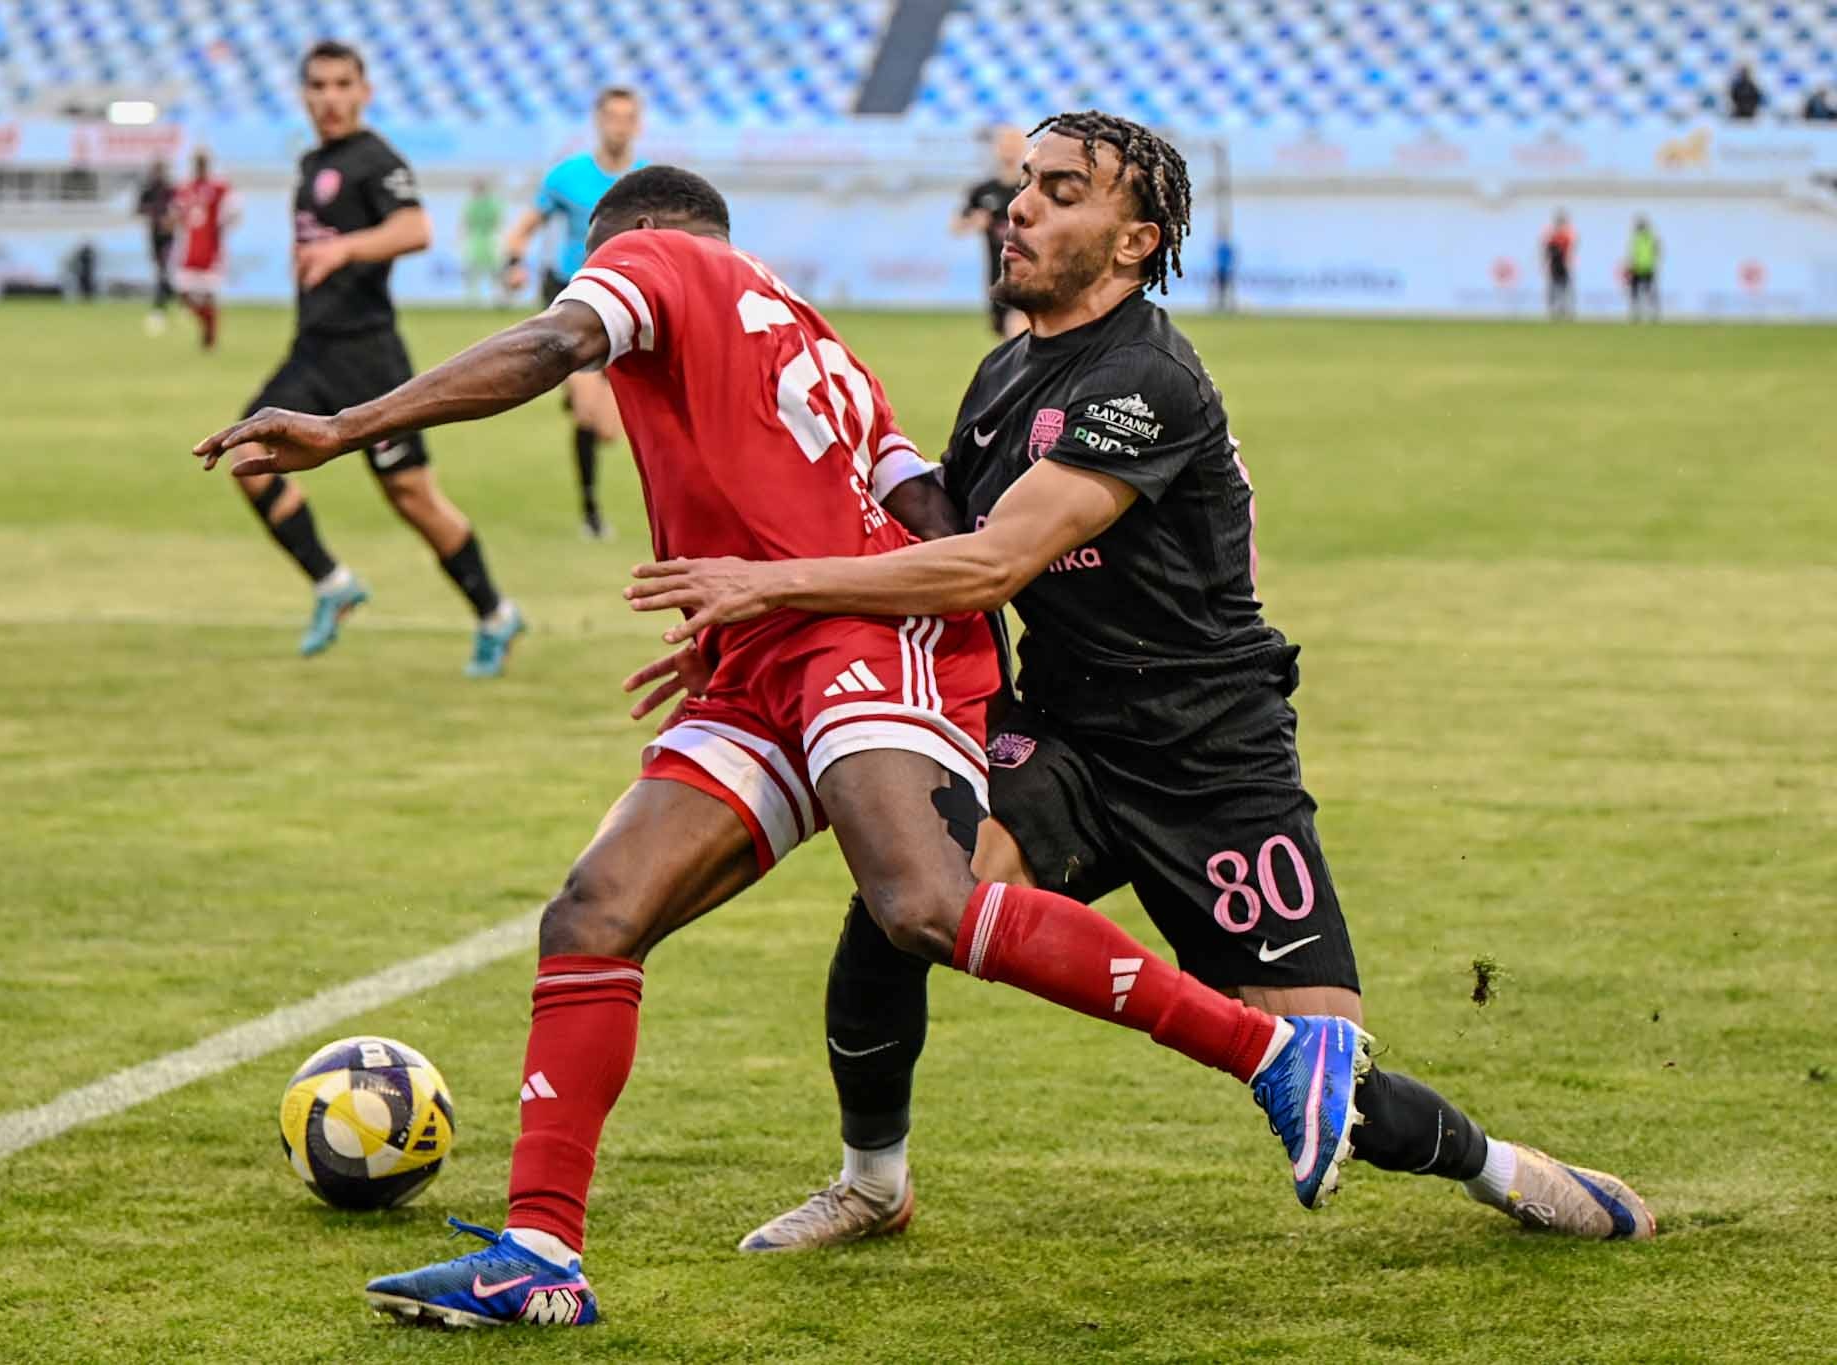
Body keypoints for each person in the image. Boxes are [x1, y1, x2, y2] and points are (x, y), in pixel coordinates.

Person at [194, 163, 1372, 1329]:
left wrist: (345, 426)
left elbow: (550, 347)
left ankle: (1266, 1055)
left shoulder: (656, 256)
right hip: (765, 648)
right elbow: (921, 505)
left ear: (627, 241)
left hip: (850, 634)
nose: (592, 291)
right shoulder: (803, 332)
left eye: (594, 268)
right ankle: (540, 1257)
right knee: (593, 913)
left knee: (920, 904)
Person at [622, 114, 1656, 1253]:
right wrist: (751, 629)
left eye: (1062, 192)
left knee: (1326, 1077)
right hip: (1064, 735)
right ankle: (873, 1183)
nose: (1021, 206)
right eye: (1027, 182)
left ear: (1134, 241)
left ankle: (1504, 1170)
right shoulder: (1006, 372)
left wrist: (765, 586)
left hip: (1212, 758)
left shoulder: (1143, 379)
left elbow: (988, 566)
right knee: (902, 903)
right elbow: (919, 539)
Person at [218, 39, 521, 674]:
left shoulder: (375, 159)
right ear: (304, 95)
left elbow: (416, 229)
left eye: (342, 85)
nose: (330, 98)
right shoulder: (312, 163)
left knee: (412, 497)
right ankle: (333, 584)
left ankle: (495, 613)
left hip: (369, 358)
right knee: (247, 453)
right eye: (318, 86)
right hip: (312, 352)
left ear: (364, 92)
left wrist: (344, 249)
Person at [500, 86, 645, 540]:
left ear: (637, 125)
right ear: (599, 122)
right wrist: (513, 263)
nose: (618, 126)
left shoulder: (647, 182)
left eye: (627, 118)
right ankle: (591, 512)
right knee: (588, 413)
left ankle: (575, 389)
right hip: (574, 297)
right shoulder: (567, 176)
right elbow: (523, 229)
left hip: (626, 304)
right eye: (611, 117)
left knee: (609, 431)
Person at [954, 124, 1028, 338]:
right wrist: (974, 222)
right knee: (1008, 341)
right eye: (1005, 143)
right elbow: (956, 226)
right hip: (998, 276)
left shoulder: (1032, 188)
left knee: (1018, 332)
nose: (1009, 149)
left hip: (1029, 275)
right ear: (996, 148)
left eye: (1014, 143)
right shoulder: (983, 190)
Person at [172, 149, 238, 351]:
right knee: (183, 294)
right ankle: (207, 327)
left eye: (202, 162)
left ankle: (210, 338)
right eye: (197, 162)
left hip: (211, 252)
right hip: (189, 251)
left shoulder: (219, 188)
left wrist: (222, 226)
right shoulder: (185, 188)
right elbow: (178, 214)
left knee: (209, 297)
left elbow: (234, 211)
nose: (199, 166)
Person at [136, 158, 175, 332]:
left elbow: (178, 208)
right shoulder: (148, 188)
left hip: (168, 234)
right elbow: (139, 208)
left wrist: (169, 219)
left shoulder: (170, 189)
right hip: (154, 234)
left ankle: (161, 302)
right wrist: (153, 214)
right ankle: (166, 296)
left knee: (163, 266)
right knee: (159, 267)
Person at [460, 175, 506, 305]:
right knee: (491, 272)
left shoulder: (471, 204)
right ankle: (495, 297)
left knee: (478, 272)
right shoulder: (493, 204)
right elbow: (499, 222)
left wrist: (461, 240)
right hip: (489, 240)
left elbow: (465, 224)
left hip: (477, 241)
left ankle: (475, 298)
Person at [1626, 215, 1661, 323]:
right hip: (1646, 268)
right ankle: (1646, 314)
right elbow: (1657, 251)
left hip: (1641, 268)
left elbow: (1633, 254)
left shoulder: (1638, 238)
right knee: (1645, 293)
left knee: (1639, 293)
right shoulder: (1651, 237)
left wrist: (1631, 266)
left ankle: (1642, 314)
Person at [1543, 210, 1575, 320]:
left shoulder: (1566, 236)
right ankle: (1554, 310)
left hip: (1563, 266)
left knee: (1565, 290)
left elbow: (1569, 250)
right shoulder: (1552, 236)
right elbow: (1547, 251)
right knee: (1553, 289)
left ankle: (1565, 310)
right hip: (1554, 266)